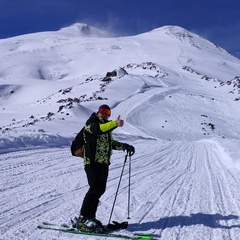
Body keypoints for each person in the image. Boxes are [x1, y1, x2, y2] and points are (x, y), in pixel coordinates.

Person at [77, 104, 135, 233]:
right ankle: (82, 219)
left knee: (99, 190)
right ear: (98, 112)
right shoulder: (91, 123)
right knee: (94, 189)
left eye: (107, 112)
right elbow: (98, 130)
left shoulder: (106, 128)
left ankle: (90, 217)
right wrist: (114, 123)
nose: (104, 113)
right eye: (102, 111)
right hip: (92, 161)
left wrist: (125, 146)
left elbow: (111, 143)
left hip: (103, 162)